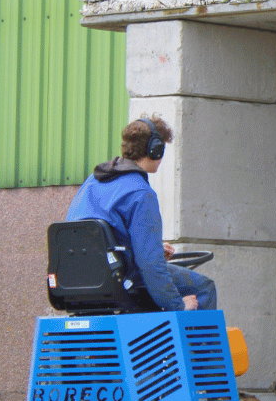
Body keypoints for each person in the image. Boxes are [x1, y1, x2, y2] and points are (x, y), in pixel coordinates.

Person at [66, 115, 217, 312]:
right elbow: (150, 265)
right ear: (155, 150)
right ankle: (191, 331)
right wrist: (179, 305)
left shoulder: (93, 181)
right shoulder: (141, 193)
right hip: (119, 278)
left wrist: (153, 248)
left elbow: (98, 237)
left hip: (77, 279)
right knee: (203, 287)